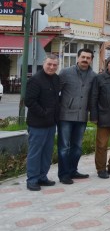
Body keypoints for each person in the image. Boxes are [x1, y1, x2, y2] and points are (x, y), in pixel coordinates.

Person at [57, 48, 97, 184]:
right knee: (64, 147)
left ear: (91, 60)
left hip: (82, 116)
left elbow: (93, 97)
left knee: (77, 147)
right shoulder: (65, 72)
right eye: (83, 57)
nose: (85, 60)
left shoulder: (93, 76)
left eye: (88, 58)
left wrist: (93, 114)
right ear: (78, 57)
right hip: (66, 116)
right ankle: (63, 174)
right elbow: (56, 92)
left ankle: (72, 170)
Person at [25, 55, 61, 191]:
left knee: (47, 152)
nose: (52, 67)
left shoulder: (56, 79)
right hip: (37, 123)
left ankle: (42, 177)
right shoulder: (35, 80)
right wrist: (44, 113)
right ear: (44, 64)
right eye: (49, 64)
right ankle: (32, 179)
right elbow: (29, 101)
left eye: (54, 65)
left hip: (51, 123)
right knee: (35, 152)